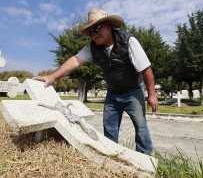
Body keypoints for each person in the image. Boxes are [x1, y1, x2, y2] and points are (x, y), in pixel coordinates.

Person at [33, 8, 159, 154]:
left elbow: (146, 69)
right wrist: (52, 77)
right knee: (109, 127)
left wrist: (151, 94)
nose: (94, 34)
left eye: (97, 28)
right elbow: (74, 61)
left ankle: (146, 159)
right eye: (90, 31)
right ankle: (112, 155)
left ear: (108, 26)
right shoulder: (92, 48)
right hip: (113, 93)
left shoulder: (128, 41)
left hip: (133, 90)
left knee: (141, 126)